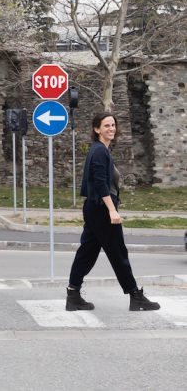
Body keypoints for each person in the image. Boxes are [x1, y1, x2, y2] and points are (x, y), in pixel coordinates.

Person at [66, 112, 160, 312]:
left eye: (113, 125)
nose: (111, 129)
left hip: (94, 208)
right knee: (118, 252)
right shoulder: (100, 151)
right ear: (97, 129)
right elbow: (101, 184)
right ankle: (136, 296)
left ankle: (73, 294)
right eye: (106, 125)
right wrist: (112, 210)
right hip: (101, 209)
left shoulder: (101, 150)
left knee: (88, 252)